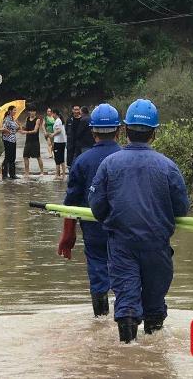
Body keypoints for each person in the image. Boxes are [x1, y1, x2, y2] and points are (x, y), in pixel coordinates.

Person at [88, 98, 190, 343]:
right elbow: (182, 209)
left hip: (122, 244)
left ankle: (128, 355)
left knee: (127, 303)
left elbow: (96, 207)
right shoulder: (168, 167)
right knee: (155, 302)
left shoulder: (109, 164)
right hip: (157, 245)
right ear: (154, 133)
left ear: (125, 131)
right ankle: (154, 352)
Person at [57, 103, 122, 317]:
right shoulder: (127, 158)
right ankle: (127, 322)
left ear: (92, 131)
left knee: (98, 272)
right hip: (125, 230)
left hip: (93, 229)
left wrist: (68, 236)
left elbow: (71, 203)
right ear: (119, 130)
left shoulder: (81, 161)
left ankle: (100, 320)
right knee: (127, 273)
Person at [21, 105, 45, 176]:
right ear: (29, 112)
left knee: (38, 156)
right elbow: (25, 127)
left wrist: (26, 132)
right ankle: (27, 173)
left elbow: (35, 130)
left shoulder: (37, 120)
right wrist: (21, 127)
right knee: (25, 156)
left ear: (35, 112)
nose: (32, 112)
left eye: (33, 111)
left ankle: (42, 172)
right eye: (31, 111)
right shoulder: (27, 118)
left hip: (35, 141)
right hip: (28, 141)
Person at [1, 105, 21, 180]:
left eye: (16, 110)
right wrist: (8, 131)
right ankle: (4, 175)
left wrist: (17, 122)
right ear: (10, 111)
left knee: (13, 157)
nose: (15, 112)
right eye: (14, 110)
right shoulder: (7, 119)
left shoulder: (13, 119)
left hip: (13, 140)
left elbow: (19, 128)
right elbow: (3, 128)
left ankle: (12, 174)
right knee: (7, 157)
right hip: (7, 140)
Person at [49, 109, 67, 179]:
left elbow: (59, 130)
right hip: (62, 142)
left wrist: (53, 134)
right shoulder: (60, 120)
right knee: (61, 158)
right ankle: (63, 175)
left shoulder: (58, 120)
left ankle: (57, 175)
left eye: (52, 113)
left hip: (58, 142)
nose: (52, 115)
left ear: (55, 113)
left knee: (57, 159)